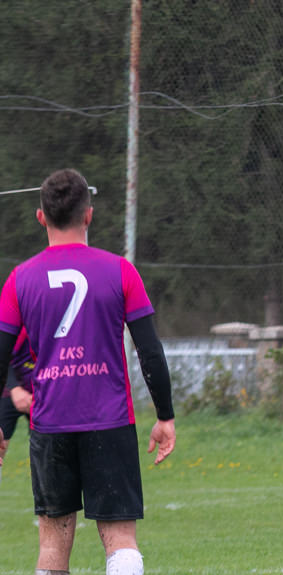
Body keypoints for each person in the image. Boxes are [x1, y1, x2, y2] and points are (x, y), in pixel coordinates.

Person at [0, 169, 176, 575]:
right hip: (109, 420)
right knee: (121, 540)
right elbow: (150, 351)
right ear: (89, 216)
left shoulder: (19, 279)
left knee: (52, 544)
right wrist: (164, 415)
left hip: (50, 424)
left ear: (41, 218)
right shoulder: (120, 271)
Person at [0, 329, 35, 484]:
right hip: (10, 390)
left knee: (51, 453)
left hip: (45, 392)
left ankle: (51, 505)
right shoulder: (17, 316)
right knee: (1, 445)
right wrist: (14, 388)